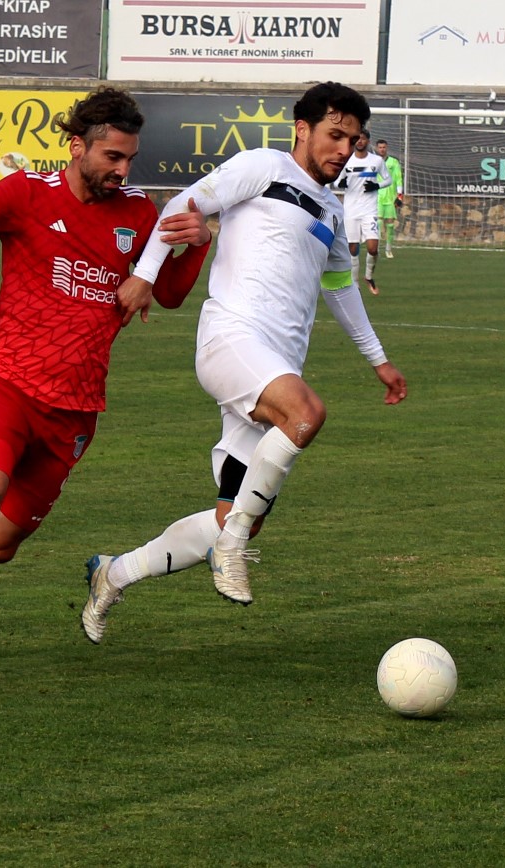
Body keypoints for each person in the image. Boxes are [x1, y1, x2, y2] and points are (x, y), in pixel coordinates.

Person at [0, 87, 212, 686]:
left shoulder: (140, 214)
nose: (123, 169)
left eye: (129, 158)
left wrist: (197, 245)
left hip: (77, 411)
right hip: (7, 382)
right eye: (112, 156)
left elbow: (169, 293)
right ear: (77, 146)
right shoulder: (27, 193)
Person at [80, 82, 408, 645]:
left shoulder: (330, 208)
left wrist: (378, 359)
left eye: (352, 141)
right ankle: (232, 550)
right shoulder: (264, 166)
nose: (343, 149)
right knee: (305, 414)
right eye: (334, 135)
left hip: (274, 366)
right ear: (302, 129)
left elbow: (341, 288)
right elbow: (186, 206)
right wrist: (144, 275)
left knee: (236, 512)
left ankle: (114, 573)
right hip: (230, 341)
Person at [334, 128, 391, 295]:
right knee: (352, 248)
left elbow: (388, 179)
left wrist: (377, 185)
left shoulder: (376, 161)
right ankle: (355, 283)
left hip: (369, 210)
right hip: (351, 211)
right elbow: (336, 181)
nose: (360, 142)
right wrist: (341, 184)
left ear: (368, 141)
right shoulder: (346, 160)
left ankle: (368, 276)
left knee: (373, 248)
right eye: (357, 139)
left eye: (363, 139)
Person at [375, 139, 403, 259]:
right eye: (380, 147)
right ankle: (375, 248)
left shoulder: (394, 162)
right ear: (377, 148)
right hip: (378, 197)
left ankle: (388, 249)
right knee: (378, 223)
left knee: (390, 225)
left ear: (387, 148)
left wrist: (399, 196)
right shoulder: (373, 161)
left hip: (390, 198)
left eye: (384, 147)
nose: (382, 149)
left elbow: (398, 179)